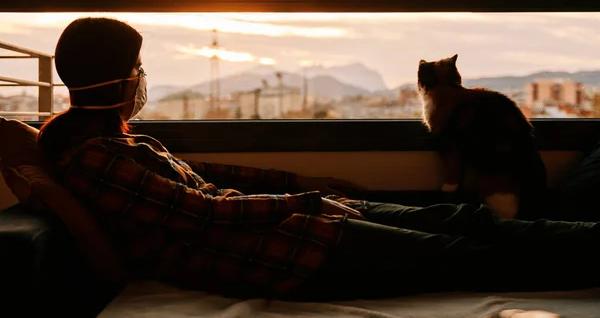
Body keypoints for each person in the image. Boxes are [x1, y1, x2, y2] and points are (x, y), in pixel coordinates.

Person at [39, 17, 600, 301]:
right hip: (292, 254)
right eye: (137, 67)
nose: (142, 78)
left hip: (304, 223)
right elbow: (203, 212)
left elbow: (214, 178)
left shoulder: (123, 143)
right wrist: (306, 199)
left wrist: (304, 181)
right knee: (466, 254)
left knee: (469, 219)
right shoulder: (96, 158)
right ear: (113, 75)